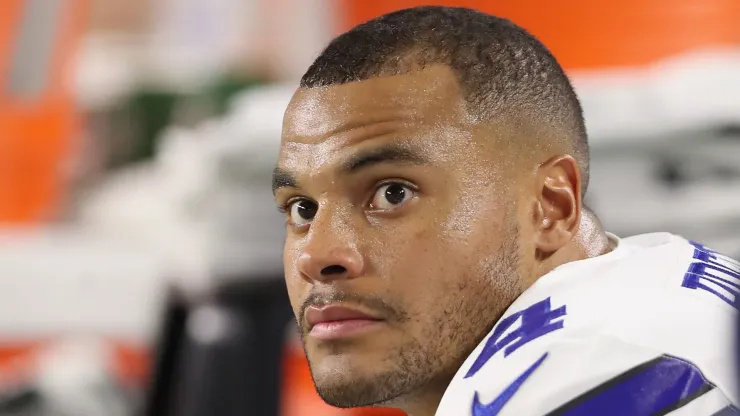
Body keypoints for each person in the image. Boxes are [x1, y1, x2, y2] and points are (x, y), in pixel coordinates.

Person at [271, 6, 740, 416]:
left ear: (551, 207)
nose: (318, 255)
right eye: (302, 208)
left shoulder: (581, 375)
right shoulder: (654, 276)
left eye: (393, 193)